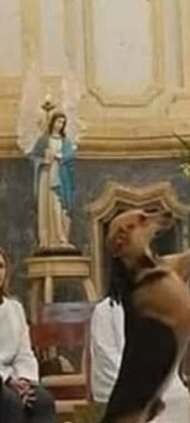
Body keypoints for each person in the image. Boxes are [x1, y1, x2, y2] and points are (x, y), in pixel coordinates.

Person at [89, 296, 190, 423]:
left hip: (163, 384)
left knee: (178, 396)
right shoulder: (105, 310)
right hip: (122, 386)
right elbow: (107, 361)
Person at [0, 246, 57, 423]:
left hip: (15, 376)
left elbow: (24, 353)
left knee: (42, 400)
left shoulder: (14, 308)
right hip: (3, 378)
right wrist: (8, 380)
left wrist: (24, 381)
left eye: (0, 266)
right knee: (10, 401)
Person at [30, 112, 76, 250]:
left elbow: (70, 157)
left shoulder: (66, 142)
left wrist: (59, 156)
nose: (60, 125)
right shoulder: (43, 140)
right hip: (47, 176)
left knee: (59, 208)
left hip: (61, 178)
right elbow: (33, 158)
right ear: (52, 123)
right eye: (58, 121)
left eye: (62, 122)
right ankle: (47, 239)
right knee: (47, 206)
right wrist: (43, 160)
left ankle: (61, 236)